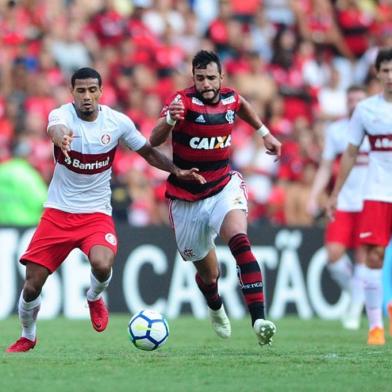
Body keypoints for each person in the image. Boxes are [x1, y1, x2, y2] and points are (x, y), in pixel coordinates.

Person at [6, 67, 205, 353]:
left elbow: (147, 151)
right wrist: (61, 138)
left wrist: (176, 170)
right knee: (32, 286)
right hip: (58, 213)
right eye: (80, 91)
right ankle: (28, 334)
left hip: (96, 213)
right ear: (72, 93)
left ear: (100, 92)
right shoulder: (61, 116)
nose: (86, 96)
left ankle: (94, 296)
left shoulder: (117, 123)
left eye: (91, 90)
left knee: (102, 263)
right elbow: (55, 129)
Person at [150, 50, 282, 346]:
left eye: (211, 77)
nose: (206, 84)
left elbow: (243, 106)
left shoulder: (231, 98)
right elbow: (153, 141)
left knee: (239, 239)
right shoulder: (181, 103)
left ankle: (258, 318)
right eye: (200, 78)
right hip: (186, 199)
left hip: (223, 186)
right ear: (193, 78)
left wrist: (264, 133)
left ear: (221, 77)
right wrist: (169, 120)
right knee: (210, 276)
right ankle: (215, 306)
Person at [327, 47, 392, 345]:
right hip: (377, 191)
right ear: (377, 74)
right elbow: (350, 153)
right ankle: (376, 326)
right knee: (374, 256)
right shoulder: (366, 110)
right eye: (386, 71)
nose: (390, 77)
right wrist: (336, 193)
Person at [307, 85, 368, 330]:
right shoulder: (337, 131)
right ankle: (357, 292)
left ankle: (354, 310)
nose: (354, 104)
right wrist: (314, 195)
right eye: (351, 99)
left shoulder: (376, 128)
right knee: (333, 256)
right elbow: (325, 167)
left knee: (364, 257)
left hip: (369, 201)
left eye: (359, 100)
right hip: (342, 201)